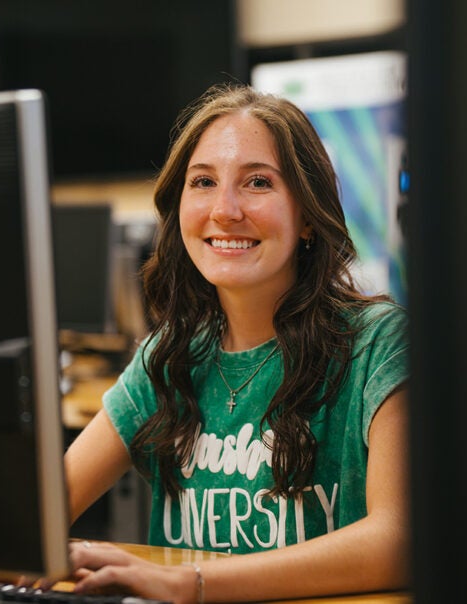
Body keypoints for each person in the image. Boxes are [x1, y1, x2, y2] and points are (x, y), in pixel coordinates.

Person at [64, 83, 410, 603]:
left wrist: (193, 583)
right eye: (202, 181)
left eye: (257, 183)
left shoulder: (381, 343)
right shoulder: (168, 356)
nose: (224, 210)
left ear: (310, 217)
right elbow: (45, 508)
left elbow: (399, 541)